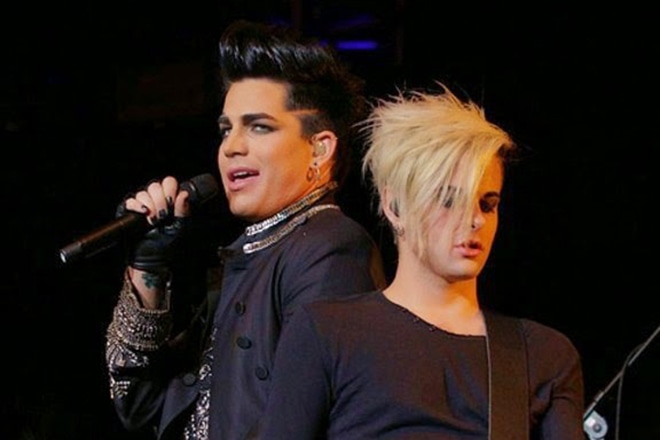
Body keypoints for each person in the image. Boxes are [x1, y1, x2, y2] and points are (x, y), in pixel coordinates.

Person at [104, 19, 386, 440]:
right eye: (226, 129)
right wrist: (149, 271)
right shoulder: (254, 255)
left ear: (319, 149)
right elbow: (139, 405)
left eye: (259, 127)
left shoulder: (331, 249)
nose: (231, 147)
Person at [259, 83, 585, 439]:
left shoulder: (541, 354)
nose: (474, 219)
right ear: (394, 206)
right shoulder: (325, 333)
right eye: (448, 200)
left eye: (487, 204)